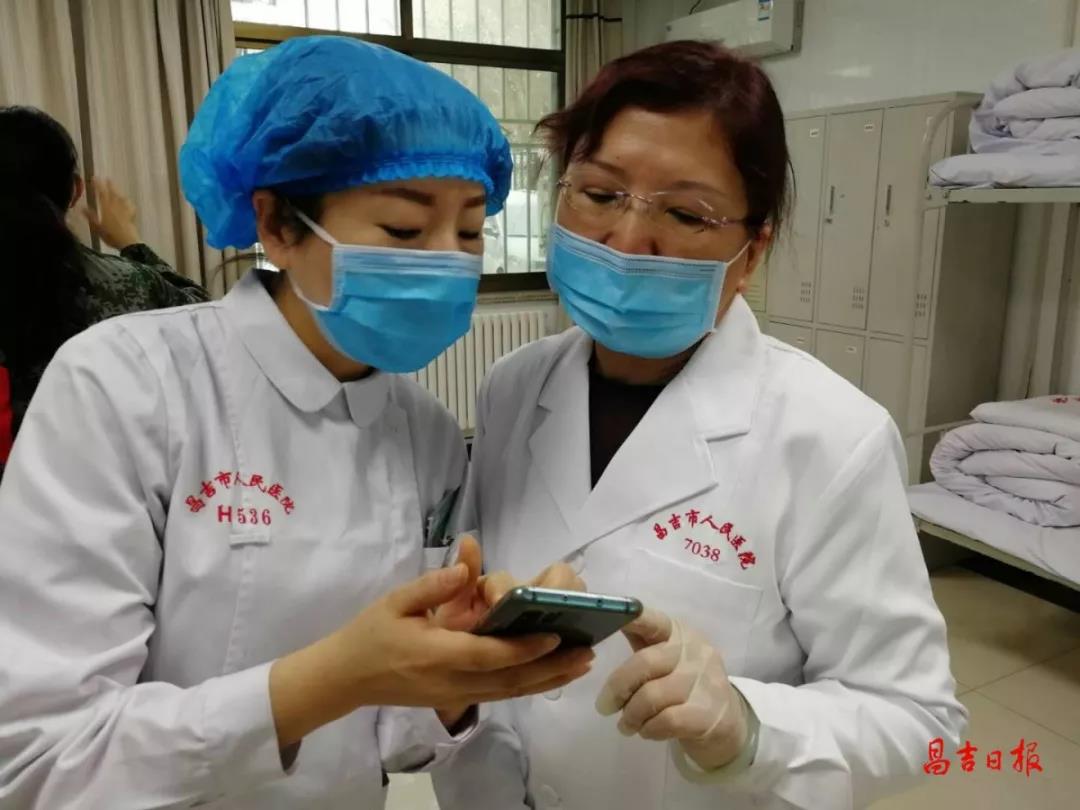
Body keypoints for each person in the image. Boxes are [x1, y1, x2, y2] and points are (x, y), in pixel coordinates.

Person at [0, 36, 591, 809]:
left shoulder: (427, 434)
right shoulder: (127, 384)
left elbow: (393, 741)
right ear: (278, 224)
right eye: (404, 231)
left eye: (472, 232)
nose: (448, 262)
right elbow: (42, 758)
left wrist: (455, 675)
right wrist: (334, 676)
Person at [432, 40, 968, 810]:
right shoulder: (513, 388)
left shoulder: (831, 437)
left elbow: (921, 722)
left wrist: (747, 727)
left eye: (686, 213)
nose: (627, 240)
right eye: (599, 193)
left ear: (751, 253)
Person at [0, 106, 210, 475]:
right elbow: (205, 322)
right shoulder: (127, 284)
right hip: (97, 494)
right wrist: (132, 243)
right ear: (75, 190)